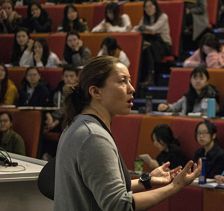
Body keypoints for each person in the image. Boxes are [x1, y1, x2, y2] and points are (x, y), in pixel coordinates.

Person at [54, 56, 202, 211]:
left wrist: (147, 180)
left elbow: (102, 187)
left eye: (129, 81)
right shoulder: (93, 136)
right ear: (96, 92)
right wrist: (175, 186)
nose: (132, 88)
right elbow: (118, 205)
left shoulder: (79, 125)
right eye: (122, 81)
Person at [133, 0, 172, 86]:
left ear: (155, 6)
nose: (148, 9)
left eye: (150, 6)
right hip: (151, 44)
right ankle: (142, 77)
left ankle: (151, 76)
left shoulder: (163, 16)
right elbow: (136, 30)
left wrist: (142, 28)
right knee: (144, 47)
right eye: (146, 7)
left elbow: (153, 30)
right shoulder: (144, 18)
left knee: (147, 47)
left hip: (164, 45)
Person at [44, 65, 79, 133]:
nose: (68, 79)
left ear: (77, 77)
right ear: (62, 77)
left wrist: (56, 122)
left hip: (67, 120)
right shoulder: (56, 90)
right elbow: (47, 105)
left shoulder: (79, 92)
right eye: (66, 76)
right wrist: (48, 115)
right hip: (53, 117)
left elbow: (73, 111)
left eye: (71, 76)